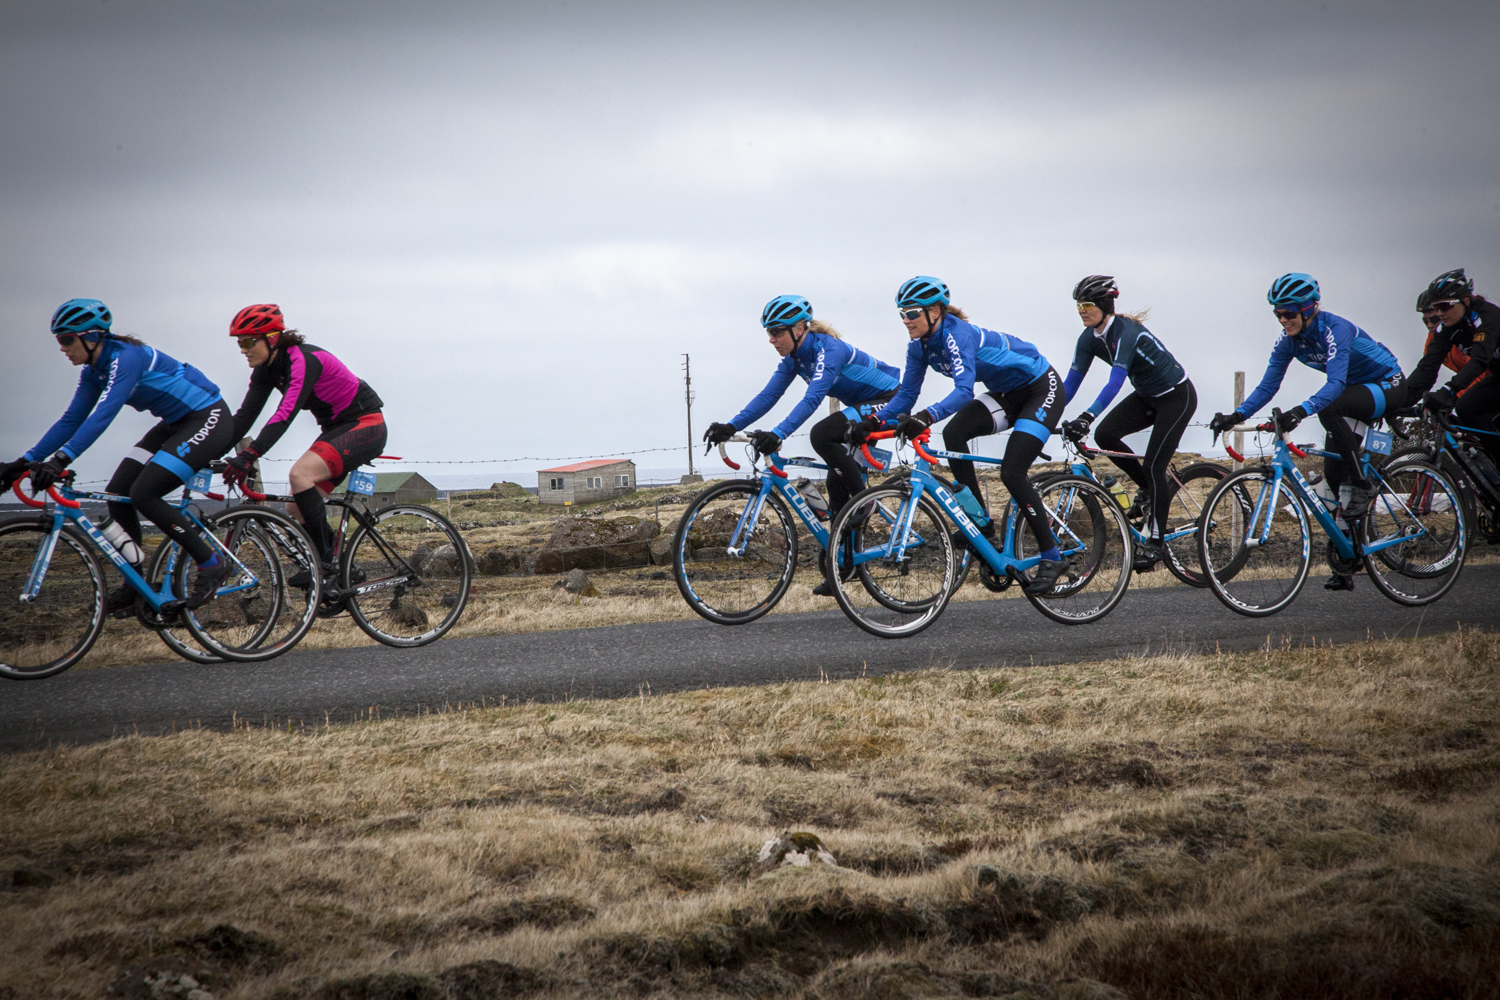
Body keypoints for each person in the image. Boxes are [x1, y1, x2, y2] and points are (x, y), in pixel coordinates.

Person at [0, 299, 237, 610]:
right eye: (59, 340)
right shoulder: (93, 372)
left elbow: (104, 414)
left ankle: (211, 562)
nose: (62, 347)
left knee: (145, 493)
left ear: (92, 336)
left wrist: (60, 461)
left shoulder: (125, 359)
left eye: (67, 339)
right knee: (117, 493)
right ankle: (135, 583)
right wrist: (23, 463)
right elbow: (72, 420)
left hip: (207, 417)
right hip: (175, 423)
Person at [852, 276, 1068, 596]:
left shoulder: (957, 335)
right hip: (1007, 393)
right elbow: (907, 394)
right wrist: (871, 422)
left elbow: (964, 391)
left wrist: (925, 416)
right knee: (955, 434)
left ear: (935, 311)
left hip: (1041, 388)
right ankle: (979, 522)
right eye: (902, 314)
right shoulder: (919, 346)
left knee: (1012, 471)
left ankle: (1052, 556)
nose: (906, 320)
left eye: (911, 313)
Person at [1208, 273, 1404, 591]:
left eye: (1289, 313)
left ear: (1309, 308)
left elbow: (1336, 384)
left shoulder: (1334, 329)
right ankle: (1349, 558)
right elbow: (1269, 384)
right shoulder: (1289, 341)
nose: (1283, 320)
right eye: (1278, 314)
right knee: (1333, 476)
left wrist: (1300, 411)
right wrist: (1236, 415)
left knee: (1329, 409)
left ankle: (1364, 486)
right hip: (1350, 396)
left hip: (1387, 384)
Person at [701, 295, 901, 596]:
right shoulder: (795, 358)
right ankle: (843, 565)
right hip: (861, 406)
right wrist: (731, 426)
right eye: (768, 332)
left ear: (799, 328)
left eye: (777, 332)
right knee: (835, 484)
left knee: (821, 435)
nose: (771, 339)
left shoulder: (828, 350)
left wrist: (779, 433)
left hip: (890, 402)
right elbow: (768, 396)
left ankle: (865, 502)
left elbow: (812, 398)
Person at [224, 304, 386, 582]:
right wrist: (205, 453)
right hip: (337, 428)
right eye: (239, 343)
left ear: (272, 338)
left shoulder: (302, 360)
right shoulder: (266, 370)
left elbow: (285, 414)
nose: (242, 349)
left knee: (301, 475)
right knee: (295, 508)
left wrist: (250, 454)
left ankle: (326, 566)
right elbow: (242, 420)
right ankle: (343, 570)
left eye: (248, 341)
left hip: (365, 424)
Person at [1057, 275, 1195, 572]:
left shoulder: (1126, 331)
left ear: (1105, 305)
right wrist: (1041, 414)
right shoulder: (1088, 339)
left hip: (1176, 396)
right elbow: (1070, 385)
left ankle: (1156, 543)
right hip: (1147, 396)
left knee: (1154, 466)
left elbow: (1115, 382)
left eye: (1088, 304)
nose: (1081, 310)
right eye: (1078, 305)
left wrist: (1087, 416)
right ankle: (1149, 489)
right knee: (1106, 435)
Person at [1405, 270, 1500, 466]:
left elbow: (1479, 361)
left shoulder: (1487, 316)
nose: (1439, 313)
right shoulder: (1448, 327)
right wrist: (1400, 399)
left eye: (1444, 306)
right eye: (1435, 308)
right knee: (1466, 408)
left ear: (1465, 301)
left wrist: (1450, 390)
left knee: (1466, 405)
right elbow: (1427, 367)